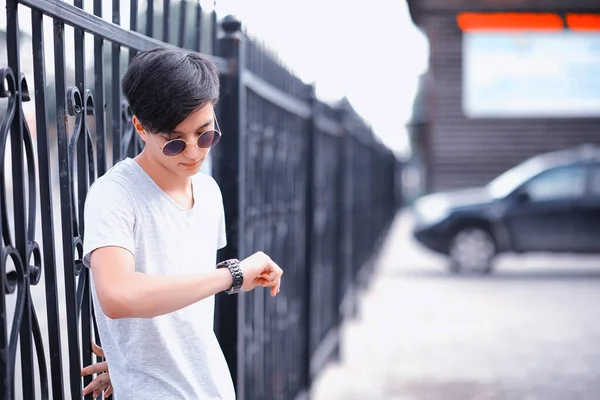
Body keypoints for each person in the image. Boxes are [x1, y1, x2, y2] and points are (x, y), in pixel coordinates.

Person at [81, 47, 283, 399]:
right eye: (175, 143)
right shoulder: (115, 194)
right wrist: (232, 275)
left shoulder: (208, 191)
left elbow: (181, 289)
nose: (193, 152)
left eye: (205, 135)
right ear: (141, 127)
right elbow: (117, 295)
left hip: (214, 387)